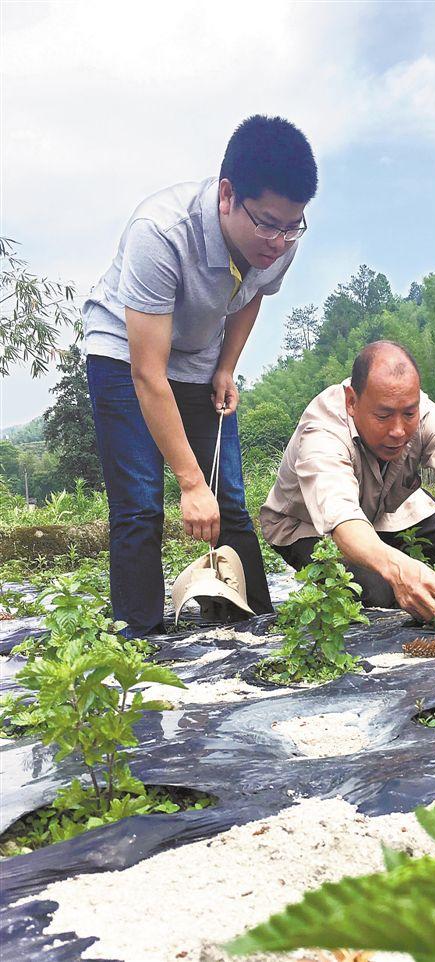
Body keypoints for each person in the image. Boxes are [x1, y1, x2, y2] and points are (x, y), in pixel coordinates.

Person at [83, 115, 318, 637]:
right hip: (125, 355)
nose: (279, 241)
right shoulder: (160, 234)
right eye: (267, 223)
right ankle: (138, 639)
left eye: (291, 226)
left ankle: (248, 621)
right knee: (142, 502)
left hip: (198, 353)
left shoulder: (278, 237)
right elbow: (148, 375)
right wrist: (189, 483)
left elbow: (253, 293)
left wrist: (226, 366)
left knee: (228, 498)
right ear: (228, 195)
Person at [260, 341, 435, 626]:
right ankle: (401, 593)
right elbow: (341, 517)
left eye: (409, 414)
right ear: (351, 401)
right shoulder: (322, 431)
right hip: (308, 526)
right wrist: (397, 569)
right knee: (375, 591)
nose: (398, 431)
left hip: (383, 510)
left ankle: (423, 597)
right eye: (383, 416)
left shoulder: (422, 411)